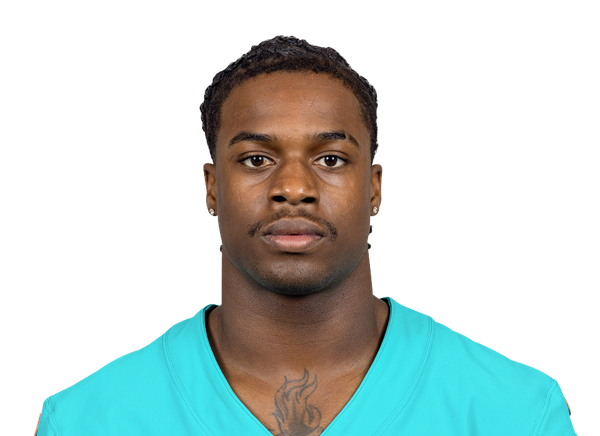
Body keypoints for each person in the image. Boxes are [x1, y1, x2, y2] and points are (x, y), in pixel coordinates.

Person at [35, 35, 576, 435]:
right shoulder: (87, 419)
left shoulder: (515, 412)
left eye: (331, 158)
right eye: (256, 158)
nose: (293, 188)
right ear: (211, 188)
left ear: (374, 188)